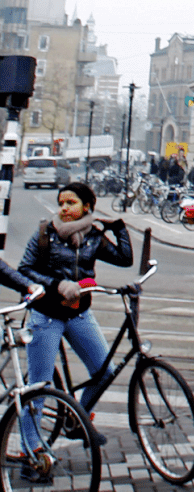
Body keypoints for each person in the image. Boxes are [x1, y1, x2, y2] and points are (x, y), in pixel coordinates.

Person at [15, 182, 133, 448]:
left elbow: (125, 259)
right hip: (46, 315)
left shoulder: (93, 237)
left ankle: (77, 418)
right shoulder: (46, 233)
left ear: (87, 206)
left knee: (104, 372)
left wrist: (119, 227)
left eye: (71, 203)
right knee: (39, 387)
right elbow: (25, 269)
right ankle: (31, 452)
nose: (64, 209)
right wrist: (58, 285)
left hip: (79, 313)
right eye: (62, 203)